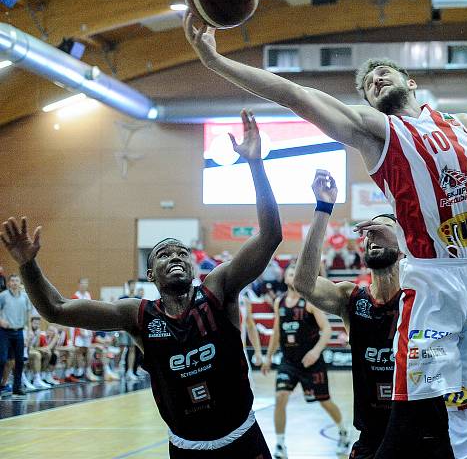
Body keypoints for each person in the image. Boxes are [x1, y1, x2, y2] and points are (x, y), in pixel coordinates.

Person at [185, 11, 467, 459]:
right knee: (410, 413)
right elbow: (294, 94)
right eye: (367, 84)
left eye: (382, 72)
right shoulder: (378, 132)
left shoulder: (464, 125)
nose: (374, 79)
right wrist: (214, 60)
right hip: (434, 280)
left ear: (410, 82)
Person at [1, 110, 282, 458]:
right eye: (164, 254)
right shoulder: (137, 315)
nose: (176, 256)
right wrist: (28, 265)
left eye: (182, 252)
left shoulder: (217, 289)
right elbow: (55, 309)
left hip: (242, 439)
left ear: (193, 265)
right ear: (150, 275)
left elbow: (270, 236)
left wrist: (256, 166)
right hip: (187, 448)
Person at [292, 170, 467, 458]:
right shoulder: (350, 298)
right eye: (369, 234)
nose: (373, 236)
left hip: (424, 435)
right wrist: (323, 208)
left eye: (383, 231)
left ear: (403, 246)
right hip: (373, 436)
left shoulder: (424, 296)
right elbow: (303, 283)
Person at [261, 262, 349, 459]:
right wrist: (268, 357)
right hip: (288, 362)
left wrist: (316, 352)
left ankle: (343, 431)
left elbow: (327, 330)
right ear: (285, 278)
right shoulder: (279, 302)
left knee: (324, 401)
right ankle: (281, 445)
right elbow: (276, 332)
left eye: (295, 273)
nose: (292, 276)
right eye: (290, 273)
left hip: (311, 362)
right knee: (280, 397)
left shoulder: (309, 302)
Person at [0, 275, 34, 396]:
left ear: (20, 283)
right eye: (12, 281)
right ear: (8, 283)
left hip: (19, 332)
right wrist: (1, 321)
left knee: (19, 360)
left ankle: (17, 387)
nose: (14, 283)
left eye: (17, 281)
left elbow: (28, 314)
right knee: (2, 359)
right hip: (5, 332)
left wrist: (29, 330)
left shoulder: (25, 297)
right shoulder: (3, 296)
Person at [71, 277, 96, 381]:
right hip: (78, 327)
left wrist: (91, 327)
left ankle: (88, 370)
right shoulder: (75, 296)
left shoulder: (88, 295)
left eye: (86, 283)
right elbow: (74, 314)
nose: (84, 285)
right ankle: (80, 371)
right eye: (82, 284)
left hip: (87, 326)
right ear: (79, 285)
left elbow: (90, 312)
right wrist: (79, 328)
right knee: (79, 350)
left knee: (88, 350)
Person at [118, 280, 143, 380]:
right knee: (122, 349)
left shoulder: (138, 299)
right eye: (131, 285)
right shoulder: (122, 298)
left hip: (133, 327)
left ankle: (130, 371)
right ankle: (118, 367)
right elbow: (117, 314)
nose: (133, 287)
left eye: (134, 285)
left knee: (132, 348)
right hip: (123, 328)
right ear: (128, 286)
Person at [25, 315, 52, 389]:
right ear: (30, 323)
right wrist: (40, 349)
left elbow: (35, 346)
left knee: (48, 353)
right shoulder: (27, 330)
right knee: (37, 355)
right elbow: (27, 346)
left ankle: (41, 376)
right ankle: (36, 379)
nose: (36, 325)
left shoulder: (38, 331)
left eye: (38, 323)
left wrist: (41, 348)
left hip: (31, 350)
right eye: (35, 323)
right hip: (23, 351)